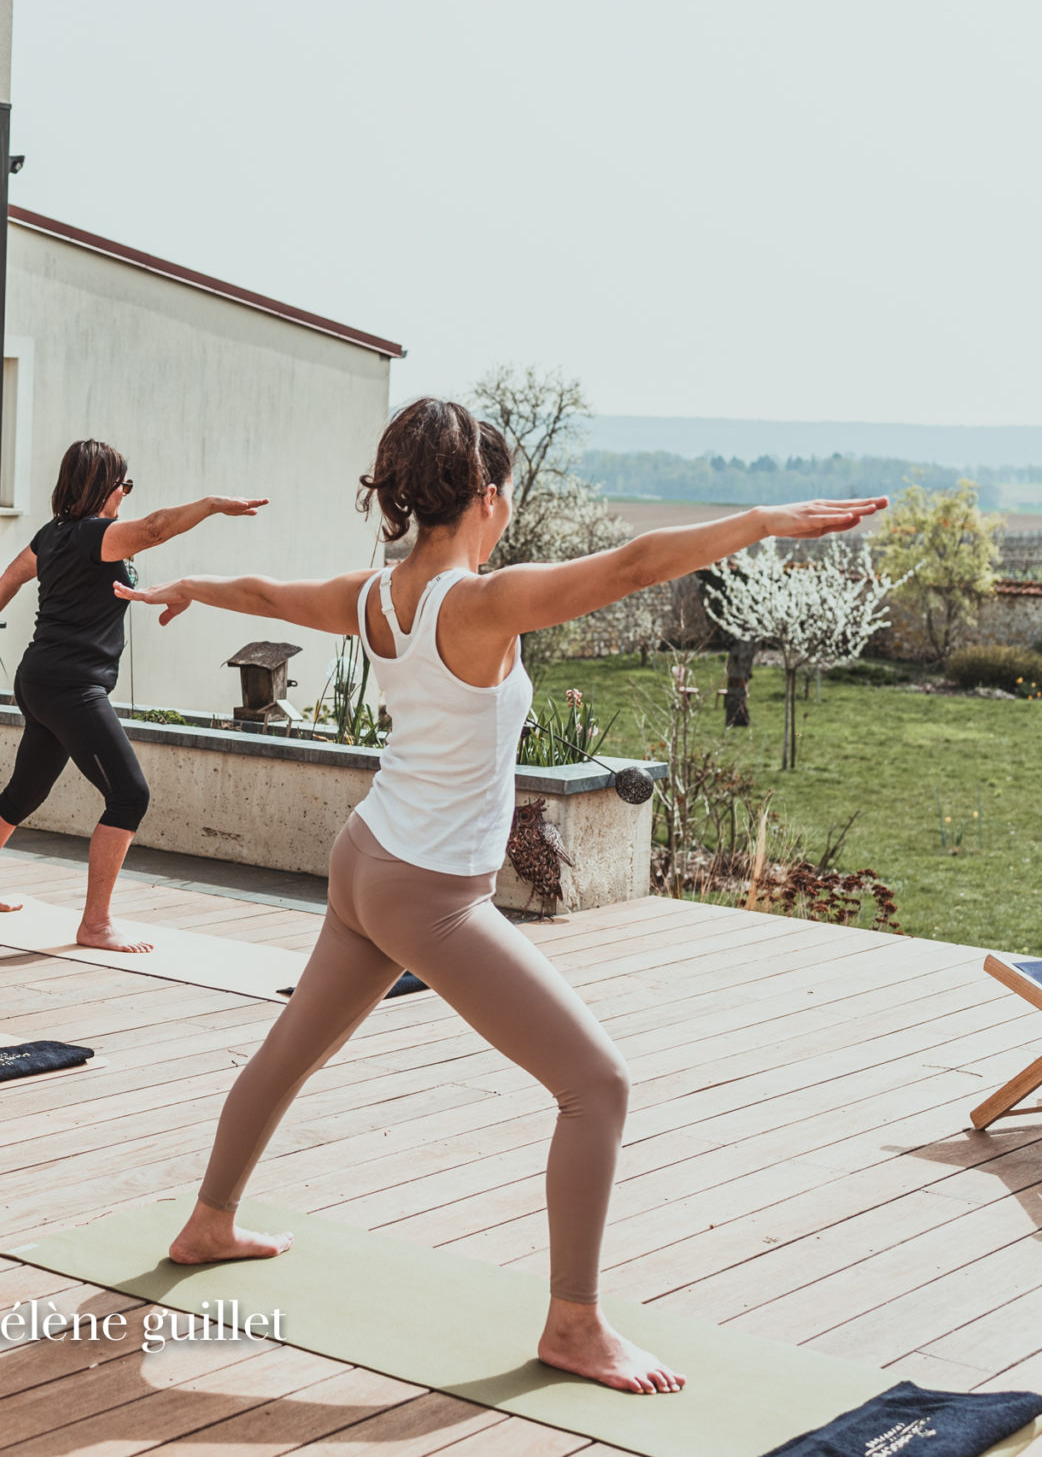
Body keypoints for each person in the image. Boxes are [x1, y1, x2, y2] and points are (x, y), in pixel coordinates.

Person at [115, 396, 883, 1393]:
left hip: (367, 855)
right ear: (485, 495)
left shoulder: (376, 595)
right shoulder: (473, 603)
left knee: (290, 1048)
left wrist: (195, 586)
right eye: (506, 492)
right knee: (596, 1086)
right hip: (425, 890)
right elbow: (630, 566)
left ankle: (209, 1218)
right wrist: (760, 522)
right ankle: (573, 1324)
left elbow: (270, 593)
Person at [0, 440, 266, 952]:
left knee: (24, 792)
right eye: (125, 487)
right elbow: (156, 528)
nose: (127, 497)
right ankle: (95, 925)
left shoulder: (52, 535)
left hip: (39, 676)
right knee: (130, 795)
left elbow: (15, 575)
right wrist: (211, 505)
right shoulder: (98, 534)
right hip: (72, 686)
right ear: (106, 488)